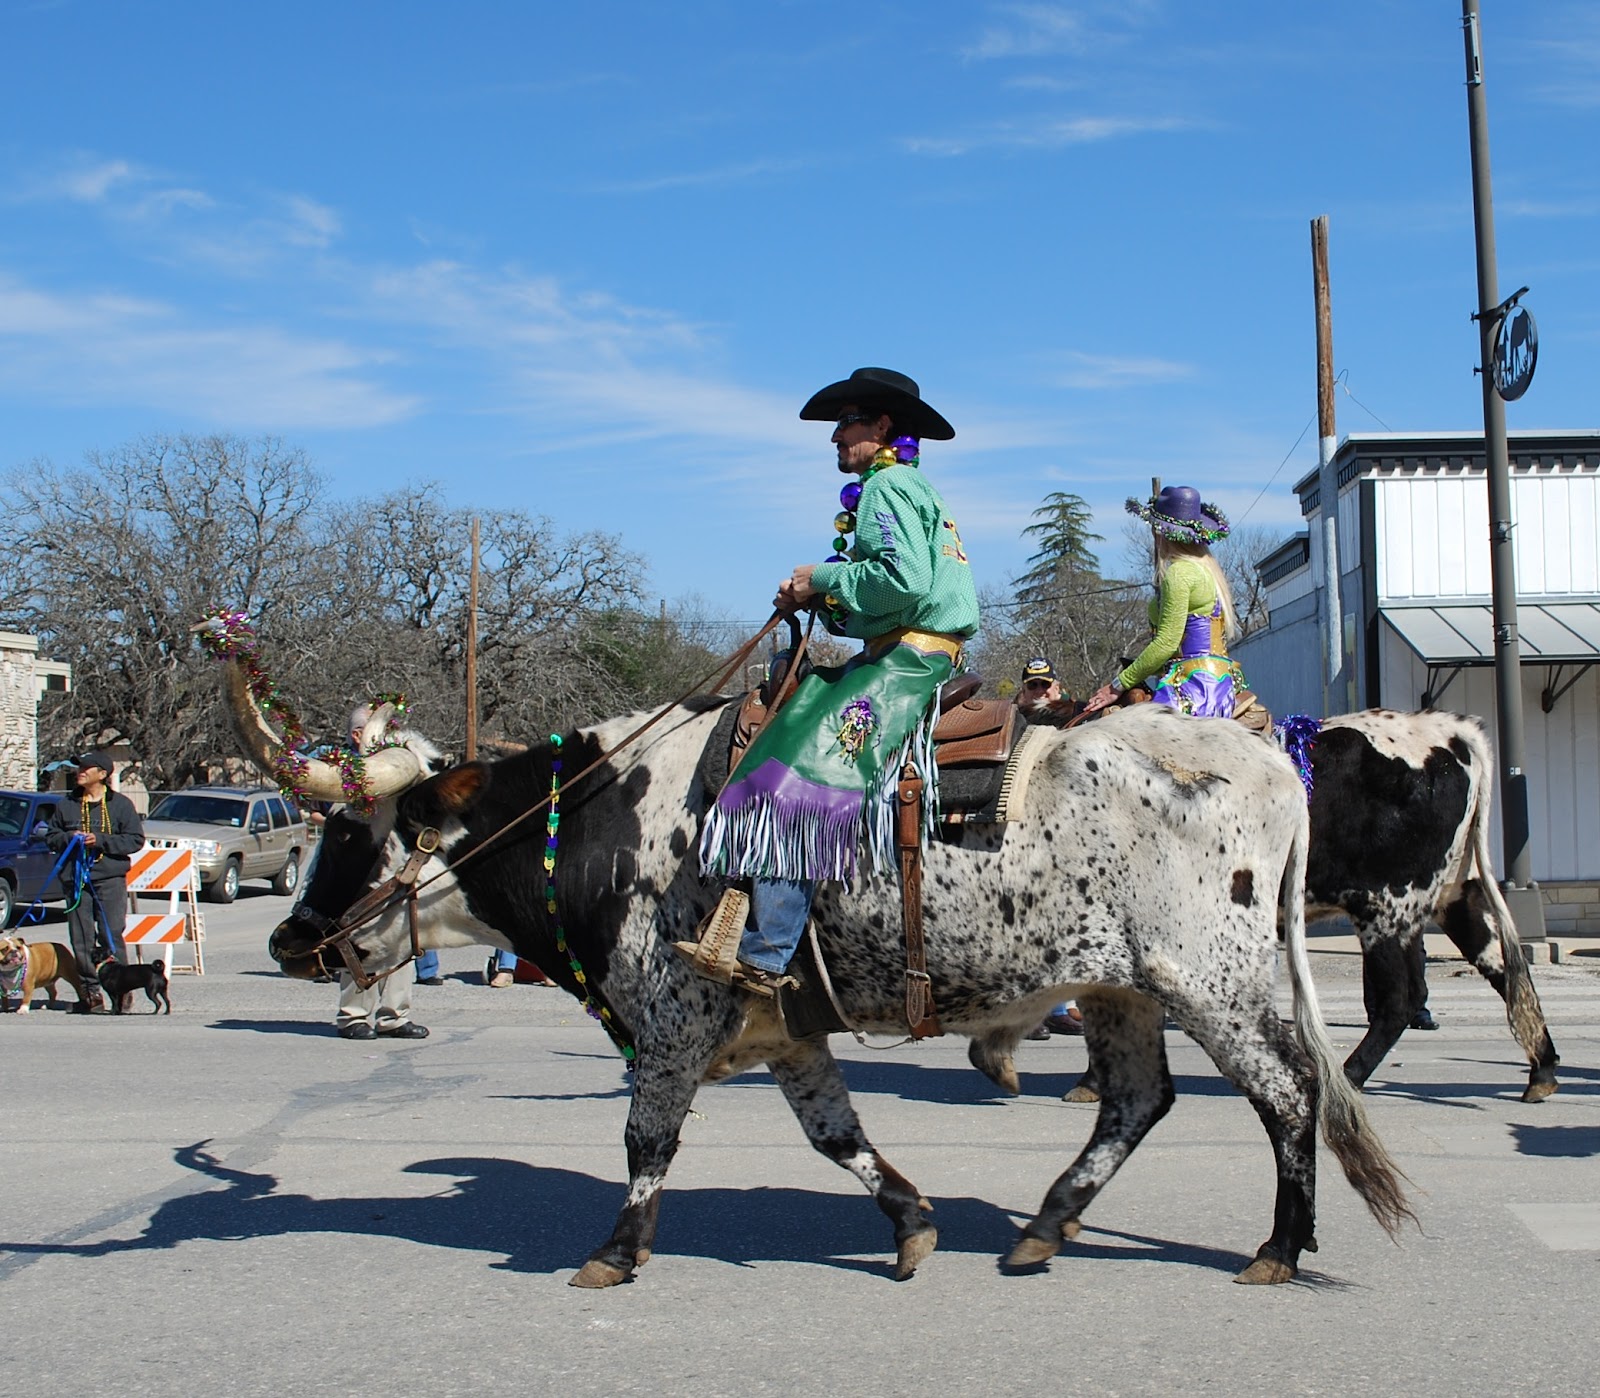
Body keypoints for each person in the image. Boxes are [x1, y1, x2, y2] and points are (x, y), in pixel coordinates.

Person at [687, 367, 979, 994]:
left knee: (800, 769)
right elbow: (886, 601)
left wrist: (820, 578)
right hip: (900, 647)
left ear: (883, 426)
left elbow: (905, 584)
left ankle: (768, 951)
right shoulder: (905, 486)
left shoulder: (888, 488)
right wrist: (817, 598)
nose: (836, 437)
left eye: (847, 422)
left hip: (908, 661)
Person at [1082, 485, 1246, 717]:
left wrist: (1117, 685)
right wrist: (1139, 668)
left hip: (1191, 687)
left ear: (1160, 532)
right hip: (1219, 682)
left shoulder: (1179, 574)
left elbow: (1167, 643)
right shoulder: (1208, 571)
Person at [332, 702, 428, 1039]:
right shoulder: (342, 770)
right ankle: (353, 1016)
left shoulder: (399, 770)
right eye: (384, 733)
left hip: (400, 869)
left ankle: (395, 1016)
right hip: (361, 873)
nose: (391, 739)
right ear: (360, 735)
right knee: (362, 942)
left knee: (401, 941)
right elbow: (339, 821)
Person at [45, 752, 144, 1015]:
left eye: (87, 767)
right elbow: (51, 836)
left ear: (103, 774)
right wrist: (68, 837)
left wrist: (99, 840)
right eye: (79, 767)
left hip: (109, 878)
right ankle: (91, 993)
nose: (80, 771)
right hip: (76, 880)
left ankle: (121, 991)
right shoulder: (66, 804)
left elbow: (135, 840)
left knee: (110, 933)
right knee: (81, 937)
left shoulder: (120, 804)